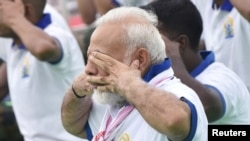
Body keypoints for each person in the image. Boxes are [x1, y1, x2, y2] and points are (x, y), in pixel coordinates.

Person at [61, 6, 208, 141]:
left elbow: (175, 120)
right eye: (89, 58)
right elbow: (73, 125)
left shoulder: (176, 93)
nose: (89, 69)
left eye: (100, 58)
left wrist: (129, 84)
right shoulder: (115, 96)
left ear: (140, 59)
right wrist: (77, 91)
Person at [142, 0, 250, 124]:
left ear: (180, 44)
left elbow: (206, 107)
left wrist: (172, 57)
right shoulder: (166, 81)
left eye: (151, 41)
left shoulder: (223, 79)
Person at [0, 0, 86, 141]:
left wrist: (14, 19)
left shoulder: (56, 34)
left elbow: (44, 49)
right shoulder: (14, 45)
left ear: (25, 11)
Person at [190, 0, 250, 92]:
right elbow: (203, 42)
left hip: (244, 91)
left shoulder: (242, 7)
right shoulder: (203, 3)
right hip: (220, 91)